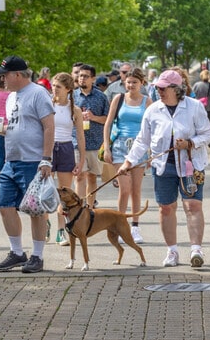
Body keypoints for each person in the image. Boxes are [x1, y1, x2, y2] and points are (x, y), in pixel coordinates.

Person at [117, 70, 210, 268]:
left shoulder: (193, 107)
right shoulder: (153, 110)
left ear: (176, 89)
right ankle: (172, 251)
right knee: (166, 208)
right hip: (163, 166)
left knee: (193, 205)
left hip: (191, 165)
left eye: (162, 88)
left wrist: (189, 143)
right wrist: (128, 162)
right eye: (157, 87)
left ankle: (196, 249)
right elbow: (142, 141)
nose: (158, 91)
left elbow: (207, 134)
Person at [0, 56, 54, 274]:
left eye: (5, 75)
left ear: (17, 75)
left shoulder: (38, 93)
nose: (2, 79)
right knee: (4, 205)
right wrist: (2, 129)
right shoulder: (11, 97)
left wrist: (46, 159)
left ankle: (37, 256)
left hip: (33, 160)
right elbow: (18, 125)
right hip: (12, 159)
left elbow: (48, 126)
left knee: (35, 210)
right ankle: (17, 252)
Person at [103, 68, 152, 244]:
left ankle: (135, 227)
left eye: (134, 82)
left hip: (139, 147)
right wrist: (107, 148)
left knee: (136, 189)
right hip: (120, 146)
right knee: (124, 189)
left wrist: (151, 153)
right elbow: (108, 124)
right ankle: (119, 224)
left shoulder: (147, 102)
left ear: (141, 83)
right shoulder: (119, 98)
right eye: (128, 82)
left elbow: (153, 128)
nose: (131, 85)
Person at [50, 72, 85, 246]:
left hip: (65, 148)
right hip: (48, 148)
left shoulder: (75, 109)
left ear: (68, 89)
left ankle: (61, 230)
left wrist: (81, 160)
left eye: (58, 87)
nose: (54, 89)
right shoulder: (47, 104)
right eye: (53, 85)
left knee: (64, 194)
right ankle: (44, 222)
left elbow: (80, 136)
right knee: (45, 191)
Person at [73, 64, 109, 208]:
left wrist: (93, 117)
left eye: (86, 76)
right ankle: (78, 208)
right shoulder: (72, 96)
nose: (82, 79)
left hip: (95, 142)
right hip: (76, 142)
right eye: (80, 76)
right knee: (79, 176)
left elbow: (107, 119)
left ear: (93, 79)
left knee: (92, 177)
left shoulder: (101, 97)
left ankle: (89, 207)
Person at [192, 70, 210, 148]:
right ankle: (209, 141)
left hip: (198, 107)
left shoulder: (196, 85)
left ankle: (197, 140)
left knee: (197, 124)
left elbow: (192, 96)